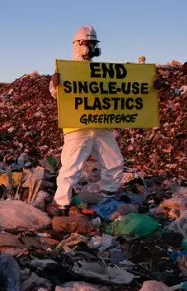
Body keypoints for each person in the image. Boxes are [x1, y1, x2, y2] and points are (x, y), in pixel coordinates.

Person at [48, 25, 124, 216]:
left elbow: (121, 90)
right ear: (79, 45)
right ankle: (62, 205)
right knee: (71, 167)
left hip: (100, 124)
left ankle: (109, 198)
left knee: (114, 162)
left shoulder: (100, 71)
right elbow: (56, 95)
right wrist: (56, 84)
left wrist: (149, 85)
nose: (92, 48)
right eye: (89, 44)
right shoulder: (66, 70)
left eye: (93, 44)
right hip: (77, 126)